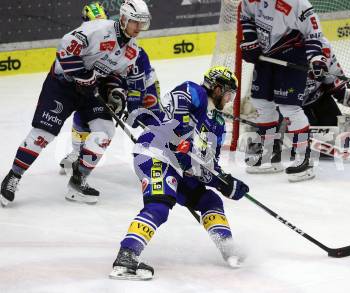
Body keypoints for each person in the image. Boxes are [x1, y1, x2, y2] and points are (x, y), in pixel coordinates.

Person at [0, 0, 151, 207]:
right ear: (124, 18)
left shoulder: (132, 50)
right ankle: (13, 177)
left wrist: (116, 92)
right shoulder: (98, 29)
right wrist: (83, 75)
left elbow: (116, 75)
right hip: (62, 85)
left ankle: (78, 182)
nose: (138, 28)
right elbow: (64, 50)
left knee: (104, 132)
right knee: (43, 134)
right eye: (135, 22)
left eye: (142, 24)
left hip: (91, 91)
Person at [109, 66, 249, 281]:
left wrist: (224, 182)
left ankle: (228, 247)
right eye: (229, 94)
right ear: (219, 89)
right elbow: (178, 99)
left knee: (210, 200)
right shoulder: (196, 92)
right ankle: (125, 258)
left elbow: (208, 166)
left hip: (179, 166)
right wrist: (180, 132)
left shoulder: (218, 125)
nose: (230, 100)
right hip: (155, 153)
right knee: (160, 204)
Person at [59, 4, 161, 178]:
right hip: (113, 85)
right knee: (85, 114)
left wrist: (131, 105)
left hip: (143, 84)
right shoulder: (89, 44)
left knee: (152, 116)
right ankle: (77, 153)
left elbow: (136, 84)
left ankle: (163, 154)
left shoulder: (131, 49)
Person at [240, 0, 332, 182]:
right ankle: (270, 155)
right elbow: (245, 15)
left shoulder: (298, 4)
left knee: (289, 108)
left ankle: (304, 159)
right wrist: (250, 39)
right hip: (265, 54)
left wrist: (316, 59)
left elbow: (313, 34)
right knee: (262, 103)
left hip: (292, 54)